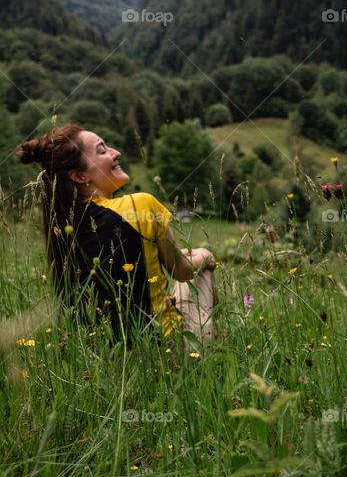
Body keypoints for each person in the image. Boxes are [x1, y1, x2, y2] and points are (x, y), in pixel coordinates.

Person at [17, 123, 217, 347]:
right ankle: (204, 366)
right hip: (161, 352)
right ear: (80, 176)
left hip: (102, 360)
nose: (116, 152)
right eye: (102, 150)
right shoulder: (140, 205)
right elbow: (181, 271)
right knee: (201, 268)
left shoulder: (64, 229)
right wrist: (206, 255)